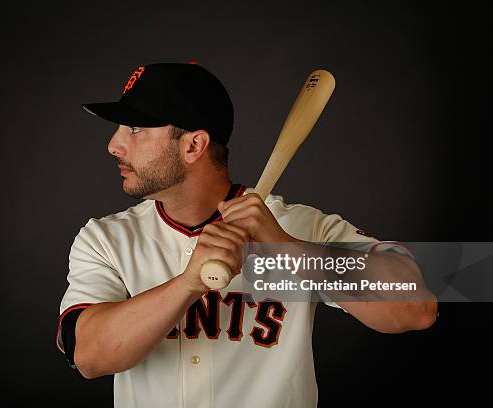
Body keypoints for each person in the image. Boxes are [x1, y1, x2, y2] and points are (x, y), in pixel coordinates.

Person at [56, 62, 437, 407]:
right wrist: (187, 284)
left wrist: (285, 249)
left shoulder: (298, 228)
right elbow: (88, 357)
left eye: (135, 129)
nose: (113, 145)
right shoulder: (107, 239)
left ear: (193, 145)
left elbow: (416, 308)